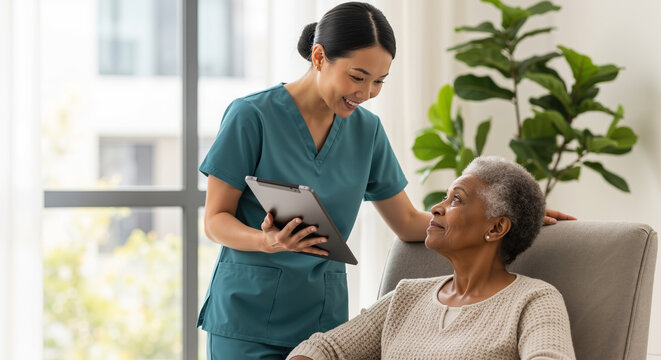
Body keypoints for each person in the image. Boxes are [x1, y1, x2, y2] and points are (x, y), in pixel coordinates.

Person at [198, 2, 574, 359]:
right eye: (357, 77)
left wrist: (509, 217)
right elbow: (215, 221)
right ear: (319, 57)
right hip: (246, 314)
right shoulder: (252, 117)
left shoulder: (367, 131)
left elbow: (409, 223)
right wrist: (267, 241)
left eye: (379, 81)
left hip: (320, 320)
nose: (365, 94)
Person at [287, 156, 576, 360]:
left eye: (457, 200)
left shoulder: (533, 300)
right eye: (444, 197)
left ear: (496, 227)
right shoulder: (407, 296)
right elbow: (324, 349)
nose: (437, 208)